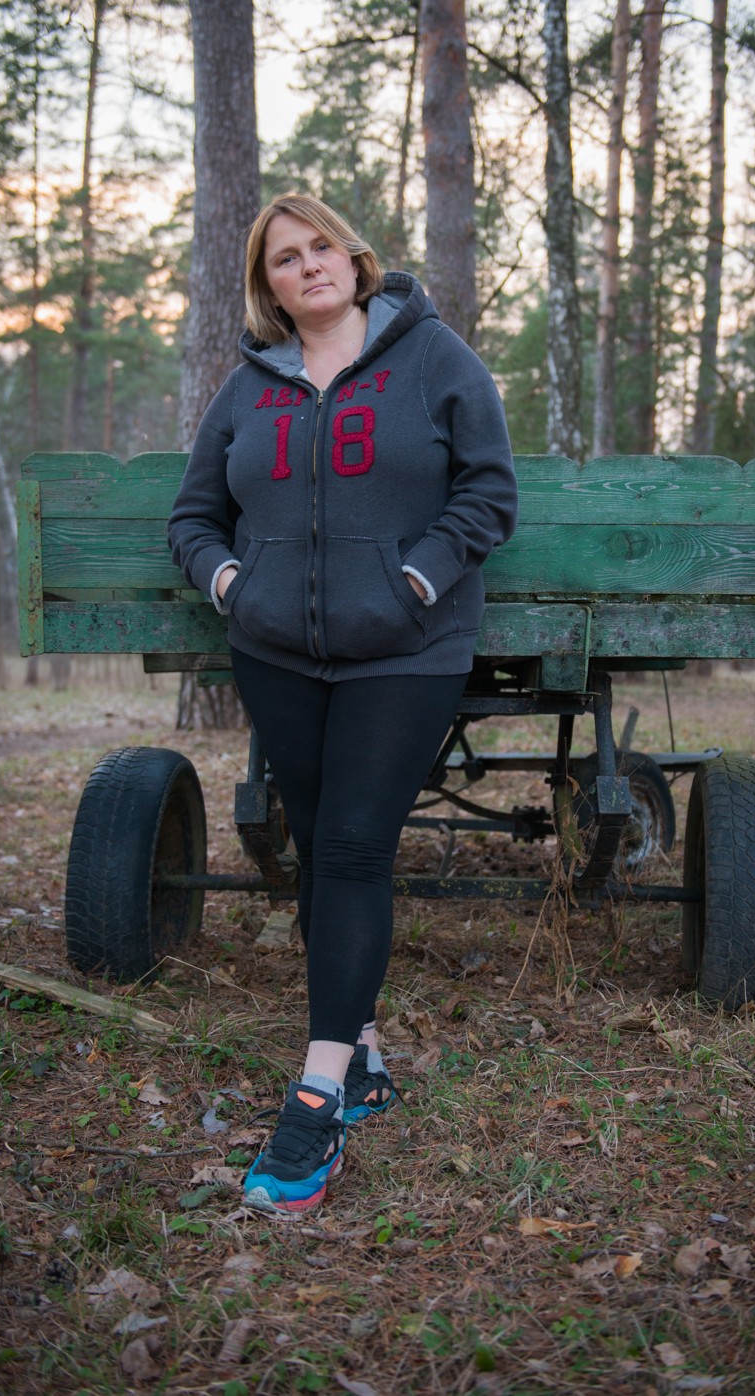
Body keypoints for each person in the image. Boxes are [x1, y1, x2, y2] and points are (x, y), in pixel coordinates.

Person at [168, 192, 518, 1215]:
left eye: (321, 246)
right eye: (284, 258)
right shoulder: (249, 385)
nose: (308, 266)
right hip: (278, 653)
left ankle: (315, 1095)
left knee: (357, 846)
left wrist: (412, 582)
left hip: (406, 650)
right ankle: (360, 1055)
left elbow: (488, 492)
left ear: (355, 260)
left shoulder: (434, 359)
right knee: (320, 845)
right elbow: (194, 516)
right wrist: (234, 586)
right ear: (267, 286)